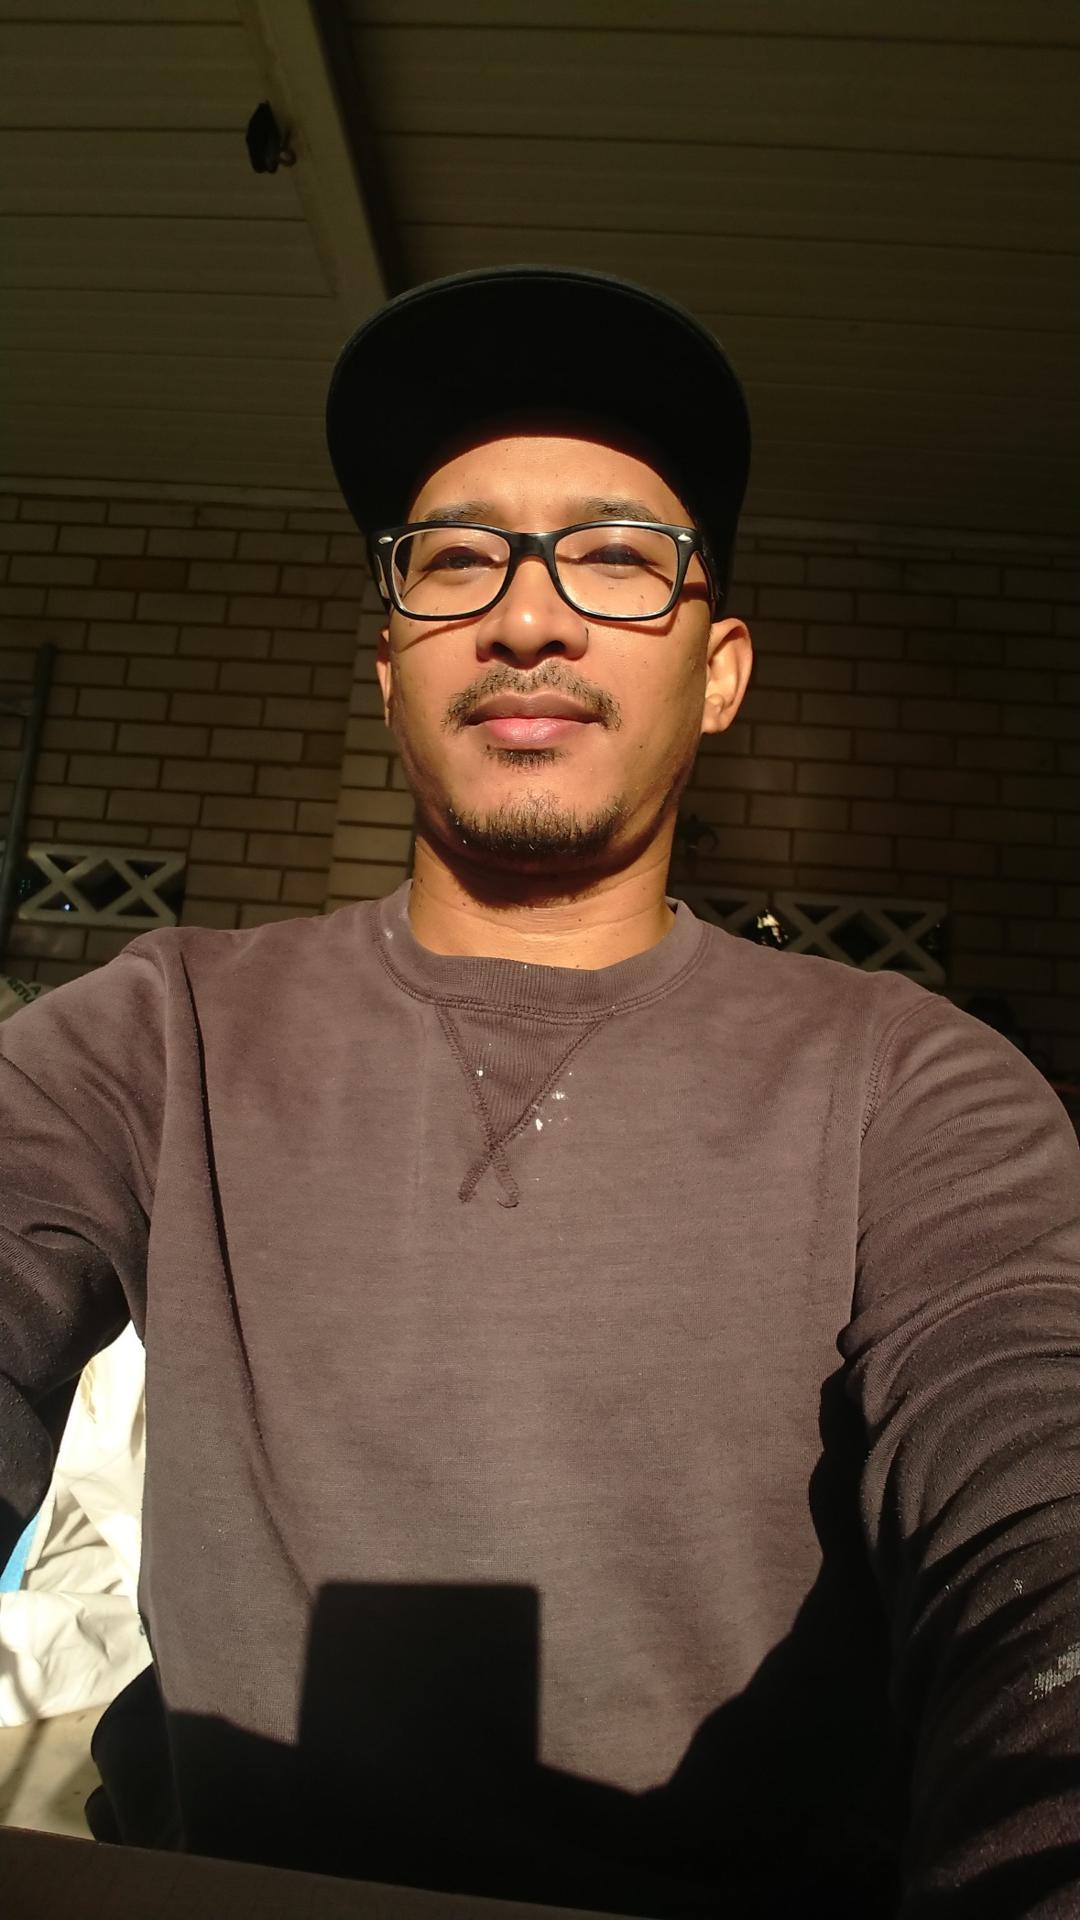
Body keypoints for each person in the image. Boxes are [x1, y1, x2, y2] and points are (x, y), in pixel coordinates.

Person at [1, 267, 1078, 1918]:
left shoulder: (913, 1081)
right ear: (387, 666)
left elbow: (1032, 1484)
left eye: (619, 558)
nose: (527, 617)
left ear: (720, 672)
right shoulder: (160, 1029)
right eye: (456, 558)